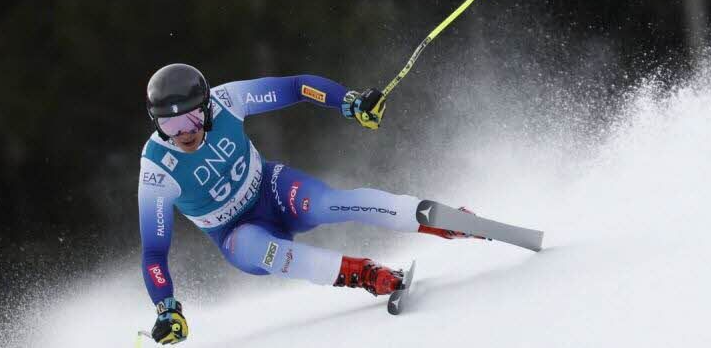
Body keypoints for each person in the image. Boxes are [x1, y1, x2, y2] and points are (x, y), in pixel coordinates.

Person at [139, 63, 476, 344]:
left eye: (192, 118)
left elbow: (299, 87)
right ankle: (365, 274)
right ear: (156, 124)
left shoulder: (228, 99)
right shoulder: (156, 169)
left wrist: (350, 101)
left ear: (207, 106)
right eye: (170, 124)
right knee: (263, 249)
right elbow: (154, 253)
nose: (184, 132)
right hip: (236, 233)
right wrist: (167, 308)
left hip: (271, 190)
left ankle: (440, 220)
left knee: (326, 204)